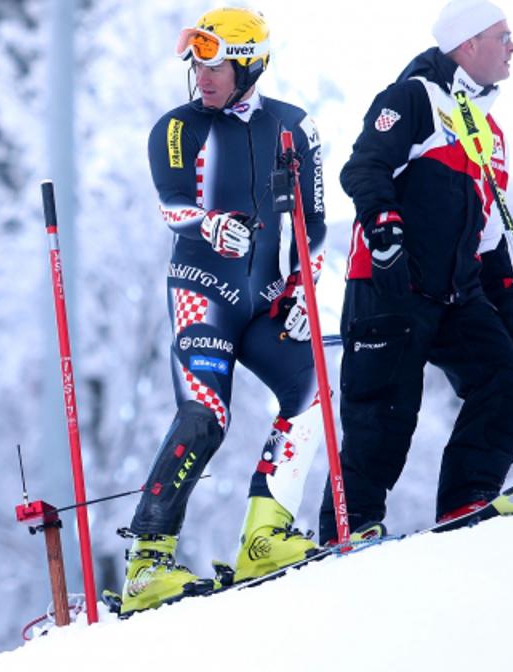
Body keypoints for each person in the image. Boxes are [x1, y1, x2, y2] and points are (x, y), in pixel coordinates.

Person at [119, 7, 329, 615]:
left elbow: (314, 224)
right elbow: (172, 206)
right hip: (202, 289)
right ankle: (146, 563)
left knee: (311, 391)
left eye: (215, 67)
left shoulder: (296, 125)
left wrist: (304, 288)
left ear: (250, 67)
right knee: (206, 414)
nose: (202, 77)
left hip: (267, 299)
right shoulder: (177, 126)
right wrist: (209, 224)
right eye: (197, 65)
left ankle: (265, 535)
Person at [317, 0, 513, 544]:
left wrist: (506, 300)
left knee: (505, 377)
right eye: (503, 36)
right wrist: (384, 228)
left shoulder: (489, 131)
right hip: (390, 283)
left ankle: (466, 500)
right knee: (384, 412)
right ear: (468, 43)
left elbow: (488, 231)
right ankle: (349, 527)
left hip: (456, 294)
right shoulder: (414, 98)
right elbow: (364, 166)